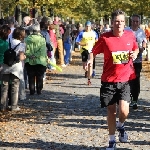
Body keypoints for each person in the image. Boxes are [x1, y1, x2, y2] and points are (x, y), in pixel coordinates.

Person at [88, 10, 139, 149]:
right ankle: (111, 140)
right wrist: (89, 62)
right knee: (111, 111)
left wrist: (134, 53)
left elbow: (136, 48)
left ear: (125, 23)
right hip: (109, 80)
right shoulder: (105, 38)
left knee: (124, 111)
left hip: (125, 79)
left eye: (122, 21)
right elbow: (93, 51)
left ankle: (121, 126)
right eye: (117, 21)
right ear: (112, 22)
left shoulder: (130, 35)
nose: (119, 24)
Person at [1, 27, 26, 111]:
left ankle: (2, 106)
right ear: (22, 35)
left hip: (5, 67)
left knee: (4, 87)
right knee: (15, 87)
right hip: (16, 68)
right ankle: (14, 106)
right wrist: (24, 57)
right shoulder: (21, 44)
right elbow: (21, 57)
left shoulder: (7, 41)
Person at [125, 15, 147, 109]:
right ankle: (126, 98)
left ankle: (134, 100)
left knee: (136, 80)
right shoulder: (126, 30)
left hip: (137, 60)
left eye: (137, 21)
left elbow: (144, 43)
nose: (135, 23)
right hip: (126, 59)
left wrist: (142, 48)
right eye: (133, 21)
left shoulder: (141, 32)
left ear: (139, 22)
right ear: (131, 21)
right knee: (126, 80)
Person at [25, 23, 47, 95]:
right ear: (39, 30)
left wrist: (30, 56)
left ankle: (32, 90)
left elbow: (25, 50)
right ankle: (39, 90)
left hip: (29, 60)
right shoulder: (42, 39)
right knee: (40, 76)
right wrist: (35, 55)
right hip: (40, 60)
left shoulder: (27, 39)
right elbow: (42, 51)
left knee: (31, 76)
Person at [76, 21, 98, 85]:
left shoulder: (94, 33)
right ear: (85, 26)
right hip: (84, 49)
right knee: (84, 66)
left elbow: (97, 40)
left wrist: (96, 44)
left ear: (91, 27)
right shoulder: (82, 33)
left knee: (91, 62)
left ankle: (90, 76)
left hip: (92, 50)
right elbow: (77, 42)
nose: (87, 28)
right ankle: (87, 71)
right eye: (86, 26)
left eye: (89, 26)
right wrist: (83, 44)